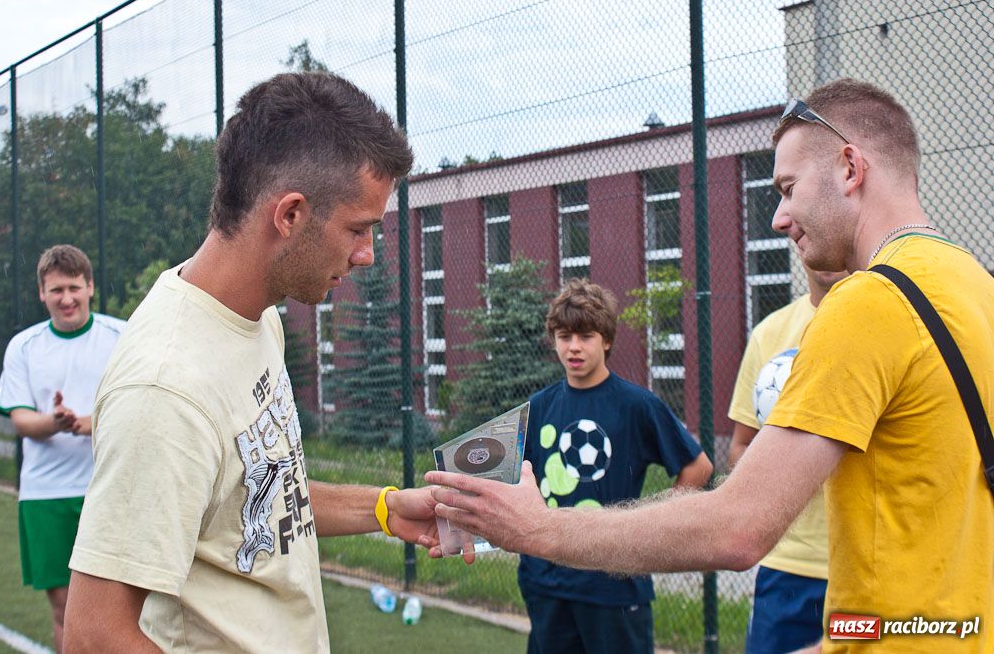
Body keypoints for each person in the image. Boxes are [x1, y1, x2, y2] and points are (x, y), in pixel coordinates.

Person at [426, 78, 994, 653]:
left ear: (850, 167)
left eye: (788, 188)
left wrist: (536, 528)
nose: (778, 217)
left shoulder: (869, 301)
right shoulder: (975, 286)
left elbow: (739, 526)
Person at [62, 72, 443, 653]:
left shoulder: (257, 317)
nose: (367, 255)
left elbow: (256, 494)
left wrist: (387, 509)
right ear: (289, 215)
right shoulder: (166, 392)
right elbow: (94, 636)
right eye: (358, 229)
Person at [520, 279, 712, 654]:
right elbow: (517, 478)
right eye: (564, 336)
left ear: (606, 340)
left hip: (614, 586)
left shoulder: (636, 405)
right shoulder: (539, 406)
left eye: (585, 336)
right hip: (547, 583)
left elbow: (698, 467)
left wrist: (651, 525)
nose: (573, 347)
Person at [0, 244, 126, 652]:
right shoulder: (24, 346)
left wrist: (88, 423)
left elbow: (140, 409)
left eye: (74, 287)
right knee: (67, 610)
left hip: (111, 489)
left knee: (127, 611)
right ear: (41, 294)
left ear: (90, 287)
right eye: (56, 290)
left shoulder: (122, 336)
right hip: (45, 496)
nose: (66, 298)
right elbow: (20, 420)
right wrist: (55, 422)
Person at [727, 264, 845, 654]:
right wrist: (792, 476)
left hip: (872, 569)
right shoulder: (769, 334)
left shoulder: (891, 324)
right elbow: (741, 447)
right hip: (789, 568)